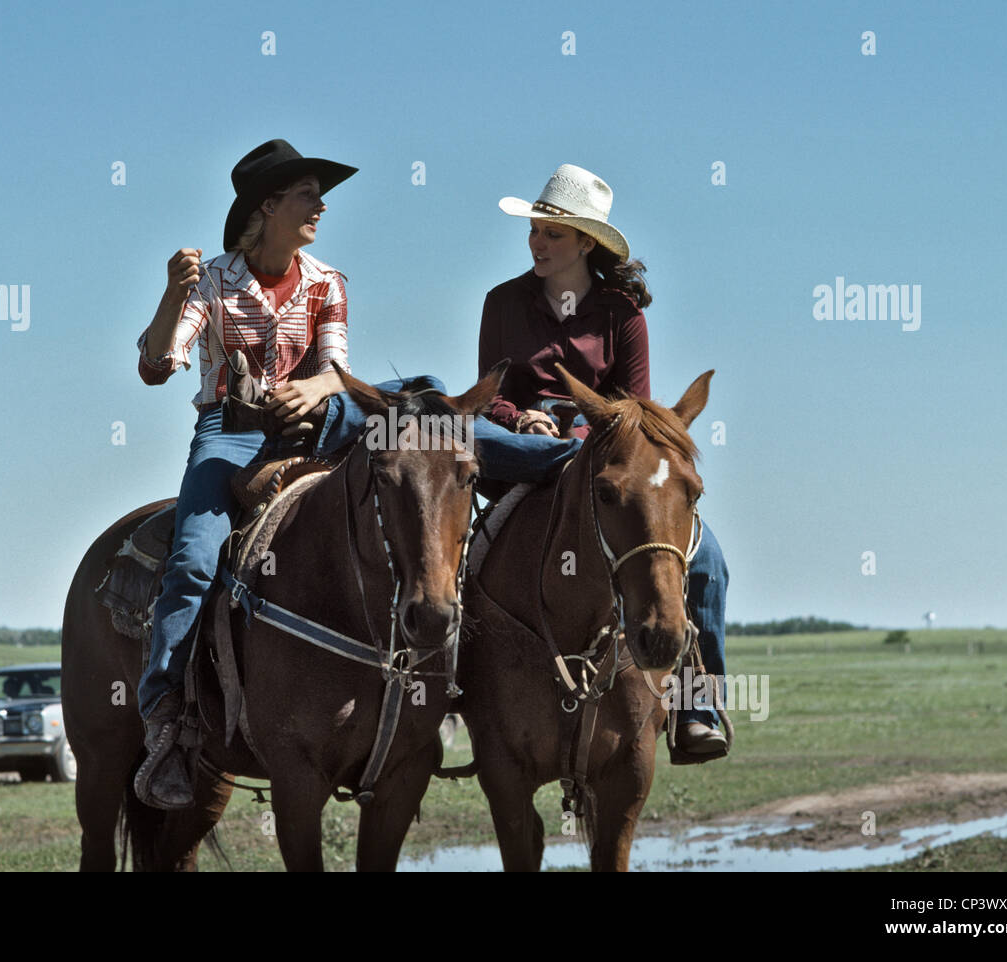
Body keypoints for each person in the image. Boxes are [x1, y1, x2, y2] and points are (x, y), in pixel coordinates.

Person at [312, 164, 729, 756]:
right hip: (518, 447)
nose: (537, 242)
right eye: (534, 230)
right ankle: (447, 685)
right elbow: (494, 388)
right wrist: (521, 418)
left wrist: (580, 430)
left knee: (707, 558)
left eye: (552, 234)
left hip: (596, 451)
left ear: (586, 242)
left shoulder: (622, 314)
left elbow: (634, 405)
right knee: (453, 466)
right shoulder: (503, 301)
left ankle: (697, 706)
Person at [132, 139, 357, 809]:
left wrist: (316, 394)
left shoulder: (328, 281)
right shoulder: (211, 280)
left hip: (310, 432)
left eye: (320, 195)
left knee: (393, 512)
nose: (320, 205)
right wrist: (173, 296)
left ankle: (416, 688)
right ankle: (165, 712)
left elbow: (337, 368)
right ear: (268, 205)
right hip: (228, 433)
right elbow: (156, 365)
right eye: (307, 195)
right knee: (195, 559)